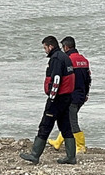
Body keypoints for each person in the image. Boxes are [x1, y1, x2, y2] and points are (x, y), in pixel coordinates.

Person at [20, 36, 77, 165]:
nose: (45, 51)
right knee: (65, 126)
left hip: (57, 98)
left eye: (45, 48)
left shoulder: (56, 59)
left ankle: (35, 154)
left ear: (50, 46)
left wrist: (52, 97)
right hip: (67, 97)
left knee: (45, 125)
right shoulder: (65, 57)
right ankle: (71, 156)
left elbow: (56, 79)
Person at [48, 36, 92, 154]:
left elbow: (65, 79)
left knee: (72, 121)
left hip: (72, 95)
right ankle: (58, 142)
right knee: (67, 118)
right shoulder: (84, 60)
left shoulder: (68, 60)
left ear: (66, 47)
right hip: (82, 95)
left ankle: (81, 146)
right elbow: (88, 79)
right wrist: (86, 93)